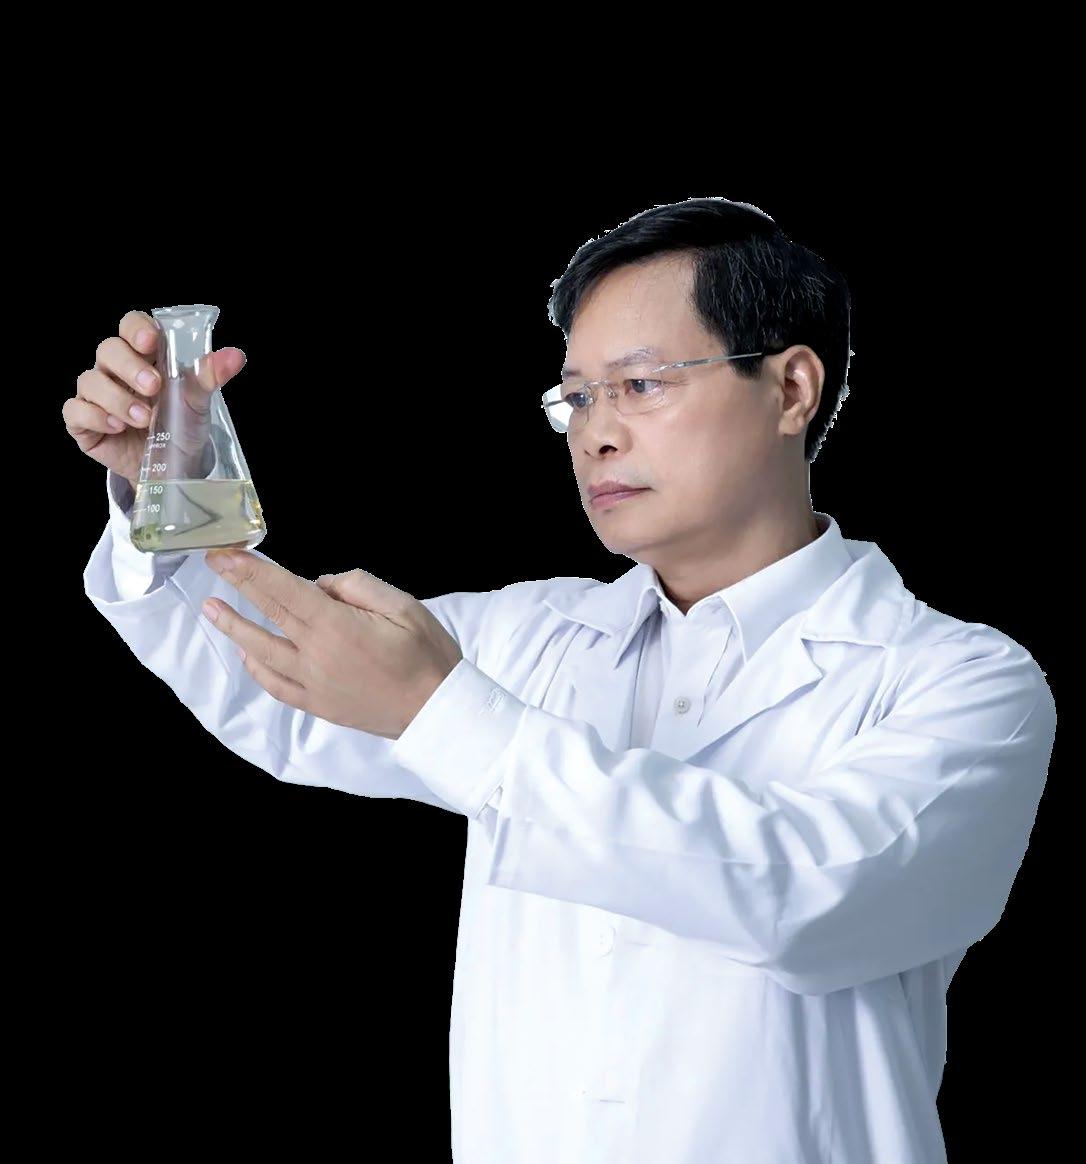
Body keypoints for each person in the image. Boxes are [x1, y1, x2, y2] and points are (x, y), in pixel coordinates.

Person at [69, 197, 1057, 1163]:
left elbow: (813, 900)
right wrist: (167, 482)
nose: (596, 435)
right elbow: (271, 682)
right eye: (577, 398)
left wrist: (450, 715)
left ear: (791, 389)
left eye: (641, 385)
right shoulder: (527, 637)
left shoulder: (962, 684)